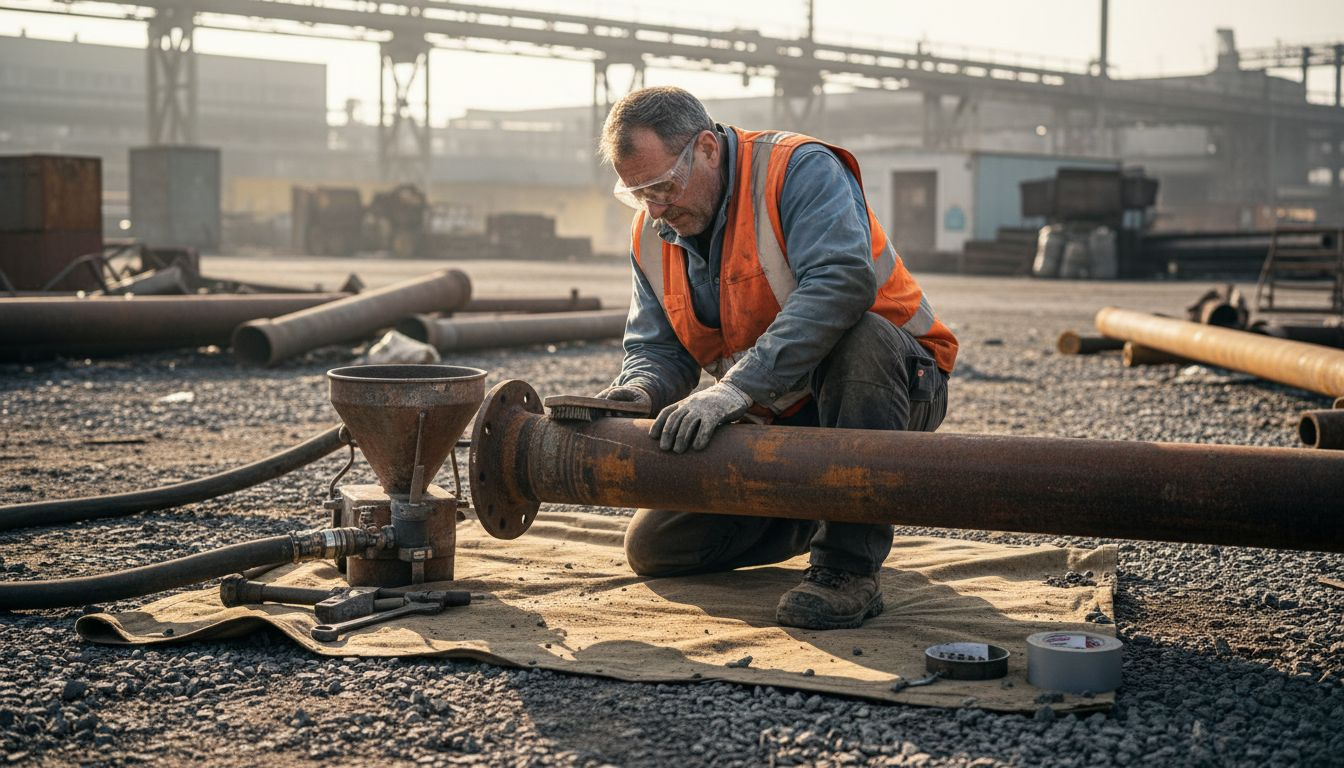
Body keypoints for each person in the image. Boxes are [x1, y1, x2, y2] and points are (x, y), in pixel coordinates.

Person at [595, 86, 957, 630]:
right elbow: (658, 346)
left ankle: (847, 569)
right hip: (780, 404)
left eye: (665, 185)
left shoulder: (799, 169)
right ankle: (824, 500)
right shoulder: (654, 231)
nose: (657, 207)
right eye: (639, 193)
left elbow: (841, 282)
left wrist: (734, 391)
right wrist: (639, 389)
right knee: (658, 547)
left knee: (860, 338)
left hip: (893, 385)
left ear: (708, 150)